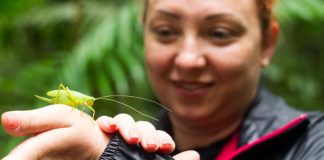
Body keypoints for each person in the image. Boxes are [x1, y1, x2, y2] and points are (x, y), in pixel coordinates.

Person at [2, 0, 324, 159]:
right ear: (143, 34)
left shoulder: (314, 144)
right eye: (166, 31)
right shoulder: (131, 138)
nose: (187, 59)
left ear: (268, 43)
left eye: (220, 33)